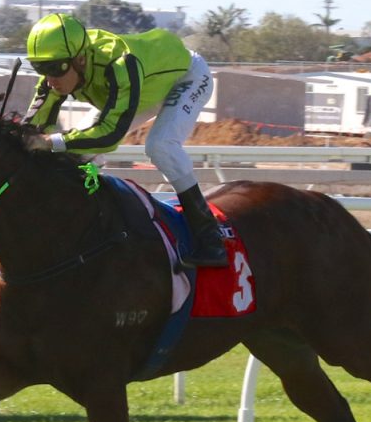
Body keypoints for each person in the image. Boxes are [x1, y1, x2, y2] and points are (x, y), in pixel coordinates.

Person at [22, 13, 226, 268]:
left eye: (55, 69)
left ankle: (210, 237)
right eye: (40, 68)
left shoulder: (119, 64)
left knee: (160, 146)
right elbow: (33, 128)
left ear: (80, 59)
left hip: (186, 78)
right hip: (141, 89)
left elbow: (110, 136)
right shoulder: (57, 69)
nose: (50, 79)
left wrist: (52, 142)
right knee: (77, 153)